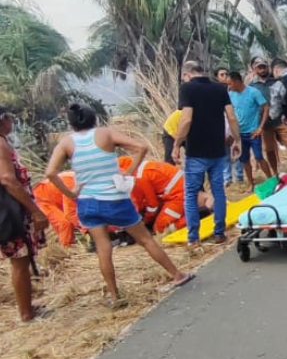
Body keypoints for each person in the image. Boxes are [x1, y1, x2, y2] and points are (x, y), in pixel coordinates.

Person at [46, 104, 193, 306]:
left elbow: (50, 173)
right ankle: (177, 274)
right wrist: (130, 171)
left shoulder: (66, 143)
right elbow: (141, 147)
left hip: (87, 203)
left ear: (71, 124)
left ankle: (115, 296)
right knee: (146, 240)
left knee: (103, 248)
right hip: (115, 199)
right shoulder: (105, 134)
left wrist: (71, 193)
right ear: (94, 119)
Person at [173, 60, 242, 249]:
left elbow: (186, 119)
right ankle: (219, 233)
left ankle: (193, 238)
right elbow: (232, 116)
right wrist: (237, 140)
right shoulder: (219, 89)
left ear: (187, 74)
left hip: (196, 151)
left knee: (191, 193)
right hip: (217, 149)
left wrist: (177, 144)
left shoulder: (187, 89)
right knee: (218, 190)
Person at [0, 107, 50, 322]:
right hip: (11, 212)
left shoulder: (5, 142)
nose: (13, 122)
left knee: (23, 257)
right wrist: (35, 211)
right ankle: (26, 314)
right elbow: (8, 180)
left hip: (14, 209)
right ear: (3, 120)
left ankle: (27, 306)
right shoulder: (0, 145)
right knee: (19, 260)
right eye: (11, 118)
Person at [117, 156, 212, 234]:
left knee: (160, 228)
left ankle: (199, 214)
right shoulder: (140, 168)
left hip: (178, 194)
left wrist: (146, 221)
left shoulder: (139, 177)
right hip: (179, 189)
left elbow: (152, 206)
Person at [227, 71, 272, 189]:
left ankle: (271, 180)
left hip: (253, 132)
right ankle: (251, 184)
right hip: (239, 134)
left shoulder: (253, 92)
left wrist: (260, 127)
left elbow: (266, 107)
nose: (229, 87)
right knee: (244, 160)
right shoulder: (230, 94)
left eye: (230, 84)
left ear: (237, 82)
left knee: (259, 157)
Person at [248, 56, 287, 177]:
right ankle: (275, 173)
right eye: (259, 67)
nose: (262, 70)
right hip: (264, 123)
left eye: (264, 67)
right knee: (269, 150)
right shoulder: (251, 86)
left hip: (280, 120)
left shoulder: (276, 80)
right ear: (254, 69)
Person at [33, 171, 84, 247]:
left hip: (55, 196)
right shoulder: (72, 185)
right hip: (43, 197)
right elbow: (70, 214)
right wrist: (87, 229)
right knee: (64, 223)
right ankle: (66, 249)